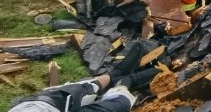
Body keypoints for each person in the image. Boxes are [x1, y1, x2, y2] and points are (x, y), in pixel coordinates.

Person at [8, 43, 156, 112]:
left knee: (81, 89)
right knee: (120, 104)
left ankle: (114, 75)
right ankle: (124, 84)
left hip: (39, 106)